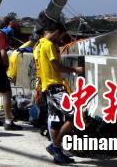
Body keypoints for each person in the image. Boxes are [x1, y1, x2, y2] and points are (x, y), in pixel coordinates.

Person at [36, 17, 83, 165]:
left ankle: (58, 152)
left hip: (46, 87)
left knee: (56, 120)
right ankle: (55, 147)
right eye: (61, 36)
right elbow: (57, 66)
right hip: (55, 87)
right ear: (56, 32)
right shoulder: (49, 45)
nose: (61, 39)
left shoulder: (38, 44)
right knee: (75, 116)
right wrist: (75, 70)